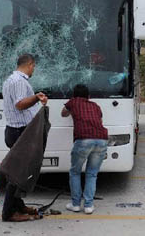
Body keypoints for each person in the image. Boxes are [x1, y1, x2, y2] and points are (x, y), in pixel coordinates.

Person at [1, 53, 48, 222]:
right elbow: (20, 104)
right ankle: (9, 213)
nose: (34, 69)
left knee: (19, 172)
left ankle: (18, 205)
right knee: (16, 174)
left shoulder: (10, 80)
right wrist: (36, 97)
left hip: (13, 130)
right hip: (19, 132)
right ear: (30, 64)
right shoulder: (19, 81)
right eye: (34, 66)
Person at [61, 84, 108, 214]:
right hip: (101, 139)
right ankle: (88, 206)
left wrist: (71, 110)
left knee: (75, 172)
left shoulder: (73, 102)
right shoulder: (95, 106)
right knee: (92, 174)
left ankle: (75, 204)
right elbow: (99, 120)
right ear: (88, 96)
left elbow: (63, 114)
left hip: (83, 140)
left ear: (74, 95)